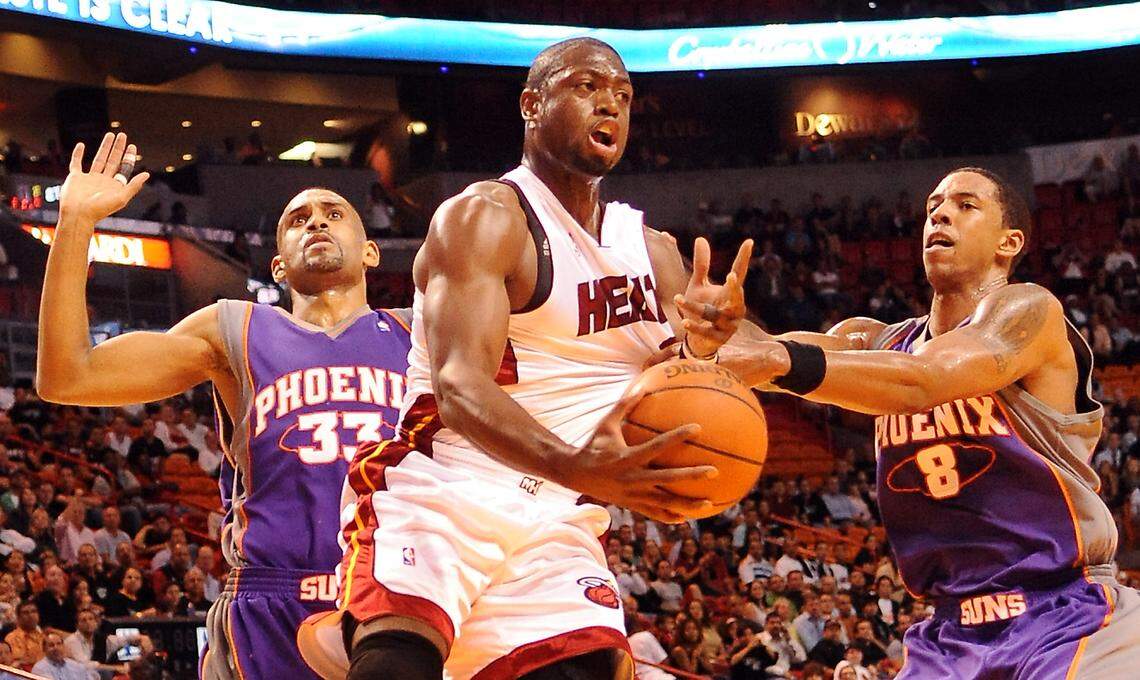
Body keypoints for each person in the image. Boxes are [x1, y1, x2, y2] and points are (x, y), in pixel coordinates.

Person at [298, 37, 751, 680]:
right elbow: (458, 387)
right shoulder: (485, 217)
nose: (609, 104)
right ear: (532, 105)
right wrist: (578, 464)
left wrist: (703, 349)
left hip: (555, 512)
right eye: (587, 87)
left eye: (622, 95)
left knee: (587, 670)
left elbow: (682, 384)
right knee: (397, 663)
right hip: (447, 489)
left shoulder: (655, 253)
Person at [681, 167, 1140, 678]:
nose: (940, 215)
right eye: (932, 208)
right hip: (948, 634)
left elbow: (925, 378)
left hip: (1066, 615)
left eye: (965, 205)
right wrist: (708, 329)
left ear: (1008, 243)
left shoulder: (1030, 311)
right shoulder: (876, 341)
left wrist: (776, 361)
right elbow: (762, 351)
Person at [34, 132, 412, 680]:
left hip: (394, 596)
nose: (316, 222)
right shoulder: (233, 329)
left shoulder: (418, 334)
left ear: (371, 251)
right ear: (278, 266)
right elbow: (68, 376)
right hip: (270, 604)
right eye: (298, 219)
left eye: (334, 214)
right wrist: (74, 223)